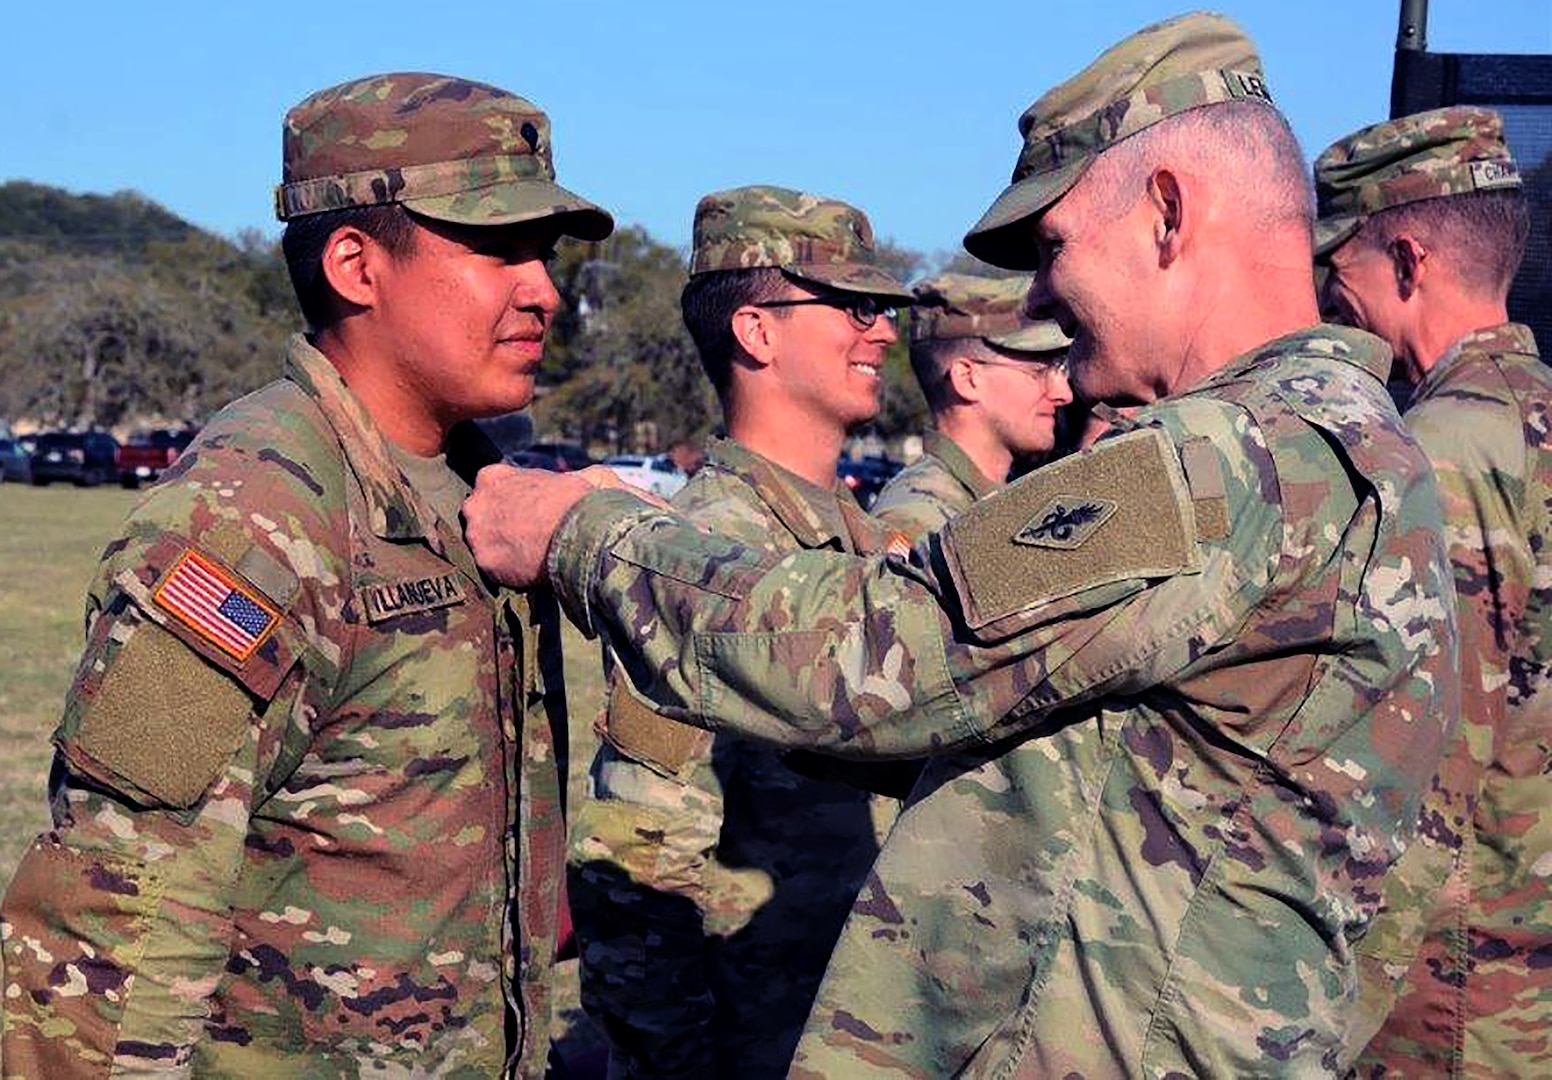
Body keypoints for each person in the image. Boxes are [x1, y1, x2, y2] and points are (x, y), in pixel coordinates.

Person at [464, 12, 1458, 1075]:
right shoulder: (1361, 446)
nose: (1038, 298)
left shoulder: (1223, 459)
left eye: (1052, 246)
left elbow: (877, 651)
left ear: (1167, 211)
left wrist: (578, 527)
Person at [0, 72, 612, 1076]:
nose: (544, 287)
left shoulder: (476, 490)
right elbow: (115, 929)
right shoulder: (250, 520)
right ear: (356, 265)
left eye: (543, 251)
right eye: (498, 247)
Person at [568, 185, 914, 1077]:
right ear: (756, 331)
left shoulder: (860, 540)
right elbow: (636, 872)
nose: (881, 331)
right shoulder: (706, 557)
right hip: (751, 1042)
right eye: (852, 306)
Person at [1313, 107, 1550, 1076]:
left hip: (1448, 982)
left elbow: (1426, 763)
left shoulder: (1443, 454)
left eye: (1340, 268)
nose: (1328, 297)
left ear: (1407, 259)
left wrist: (1333, 1011)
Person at [871, 272, 1072, 538]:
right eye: (1038, 372)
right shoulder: (920, 520)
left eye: (1060, 369)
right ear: (967, 379)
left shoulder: (999, 501)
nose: (1063, 393)